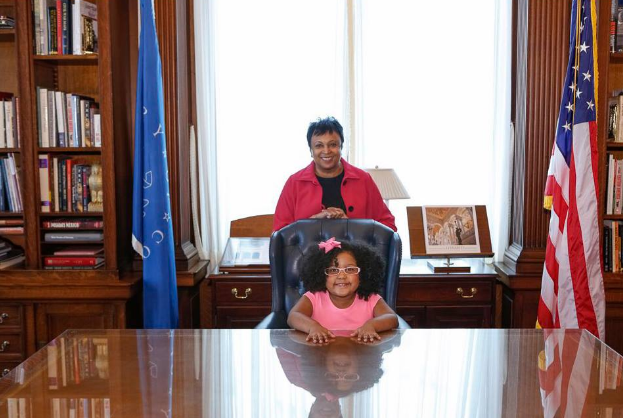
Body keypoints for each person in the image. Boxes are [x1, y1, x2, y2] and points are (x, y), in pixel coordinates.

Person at [273, 117, 396, 232]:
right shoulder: (294, 183)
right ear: (311, 150)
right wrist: (313, 221)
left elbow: (388, 226)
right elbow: (279, 233)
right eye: (319, 145)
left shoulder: (363, 179)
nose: (326, 151)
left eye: (333, 144)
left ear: (341, 147)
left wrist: (350, 225)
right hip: (307, 249)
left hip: (358, 248)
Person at [287, 238, 398, 344]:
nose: (341, 276)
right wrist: (312, 327)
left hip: (361, 353)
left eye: (350, 269)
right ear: (321, 275)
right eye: (333, 270)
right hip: (320, 353)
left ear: (363, 274)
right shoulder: (314, 297)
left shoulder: (370, 298)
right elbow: (293, 316)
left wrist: (372, 325)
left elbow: (391, 318)